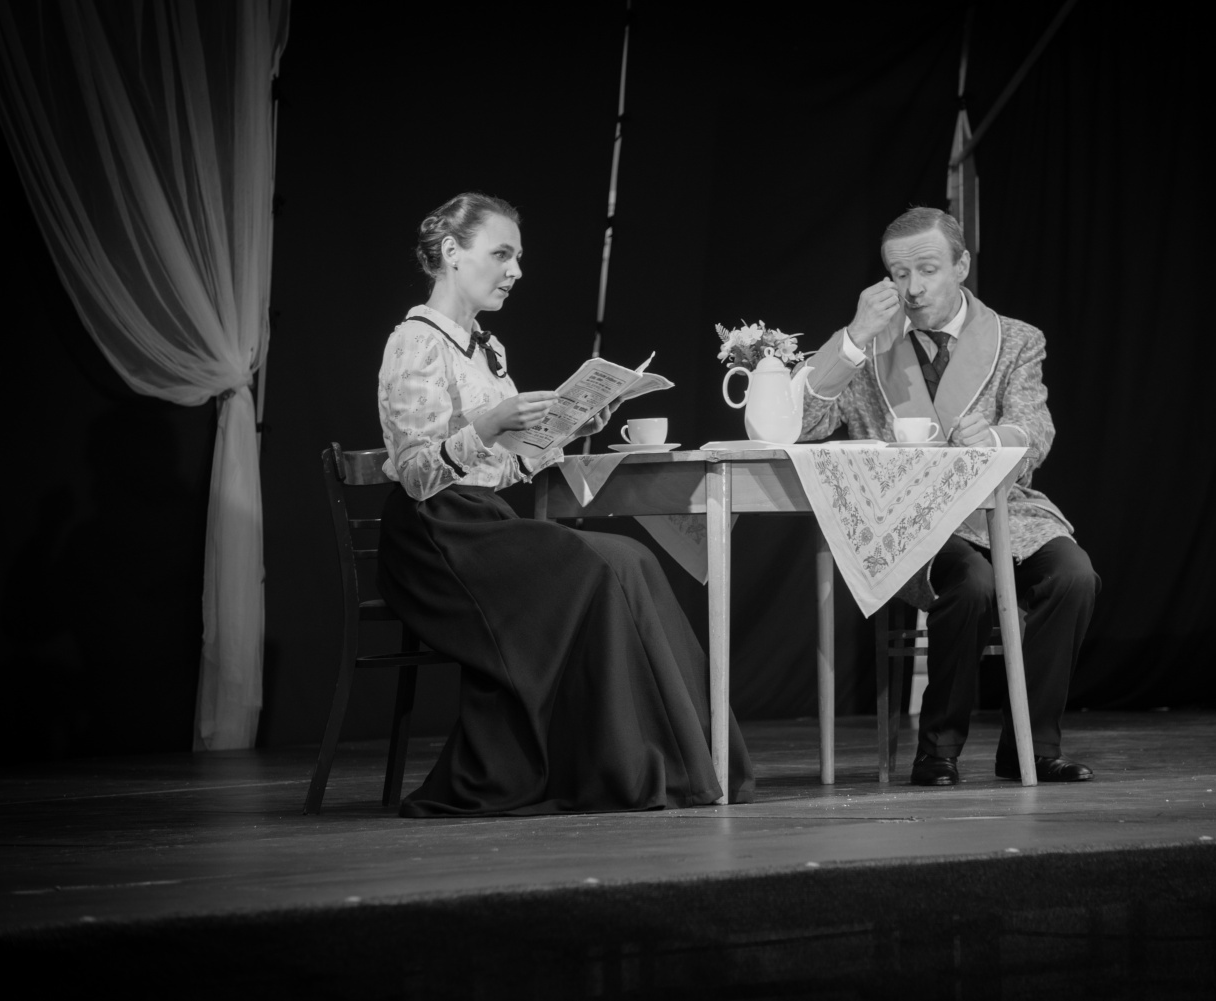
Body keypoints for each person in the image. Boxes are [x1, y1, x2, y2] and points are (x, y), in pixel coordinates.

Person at [375, 191, 753, 815]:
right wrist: (490, 422)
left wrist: (572, 427)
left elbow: (506, 467)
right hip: (435, 535)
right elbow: (417, 475)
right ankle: (622, 765)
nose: (516, 270)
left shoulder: (487, 347)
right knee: (607, 563)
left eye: (518, 257)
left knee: (631, 560)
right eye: (502, 254)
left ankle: (686, 762)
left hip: (483, 521)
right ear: (451, 252)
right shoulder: (415, 342)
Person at [797, 207, 1100, 784]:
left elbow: (1035, 429)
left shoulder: (1015, 339)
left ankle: (1031, 748)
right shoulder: (867, 346)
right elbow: (805, 424)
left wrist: (994, 439)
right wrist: (854, 338)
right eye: (899, 274)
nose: (912, 288)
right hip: (906, 516)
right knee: (973, 583)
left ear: (960, 266)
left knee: (1074, 576)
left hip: (1003, 507)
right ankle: (937, 749)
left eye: (928, 270)